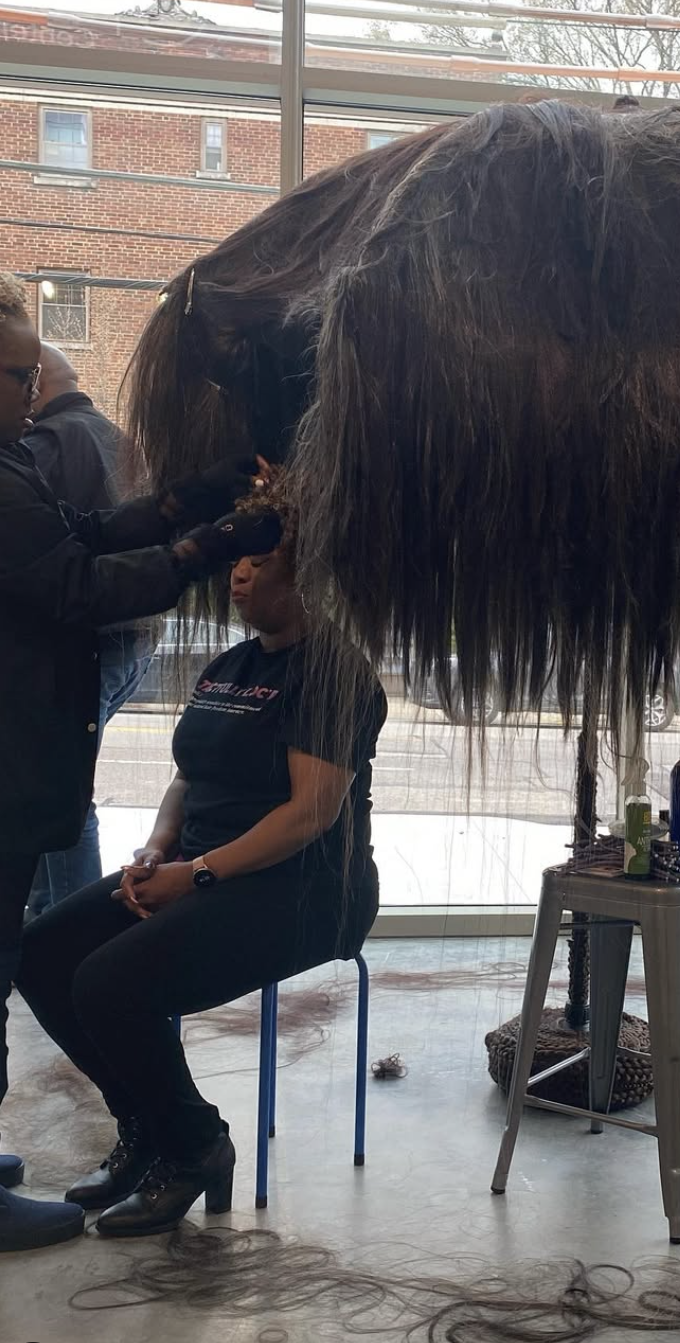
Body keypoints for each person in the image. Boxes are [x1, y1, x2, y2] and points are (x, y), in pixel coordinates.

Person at [18, 479, 386, 1239]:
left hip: (306, 890)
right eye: (236, 561)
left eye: (256, 559)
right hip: (203, 870)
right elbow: (189, 775)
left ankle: (195, 1147)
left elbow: (309, 813)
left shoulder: (332, 672)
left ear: (307, 571)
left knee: (110, 980)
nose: (238, 573)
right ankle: (149, 1125)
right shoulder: (231, 664)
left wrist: (198, 873)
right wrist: (158, 848)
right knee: (43, 953)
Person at [0, 270, 281, 1251]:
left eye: (32, 377)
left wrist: (198, 499)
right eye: (16, 377)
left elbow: (89, 530)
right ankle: (159, 1139)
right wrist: (214, 539)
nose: (31, 396)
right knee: (11, 955)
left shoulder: (15, 462)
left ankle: (161, 1135)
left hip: (34, 762)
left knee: (27, 951)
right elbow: (80, 580)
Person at [24, 343, 159, 913]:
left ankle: (64, 926)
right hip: (133, 638)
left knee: (57, 786)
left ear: (34, 384)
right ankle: (46, 918)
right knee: (51, 782)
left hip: (89, 641)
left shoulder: (45, 446)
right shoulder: (115, 438)